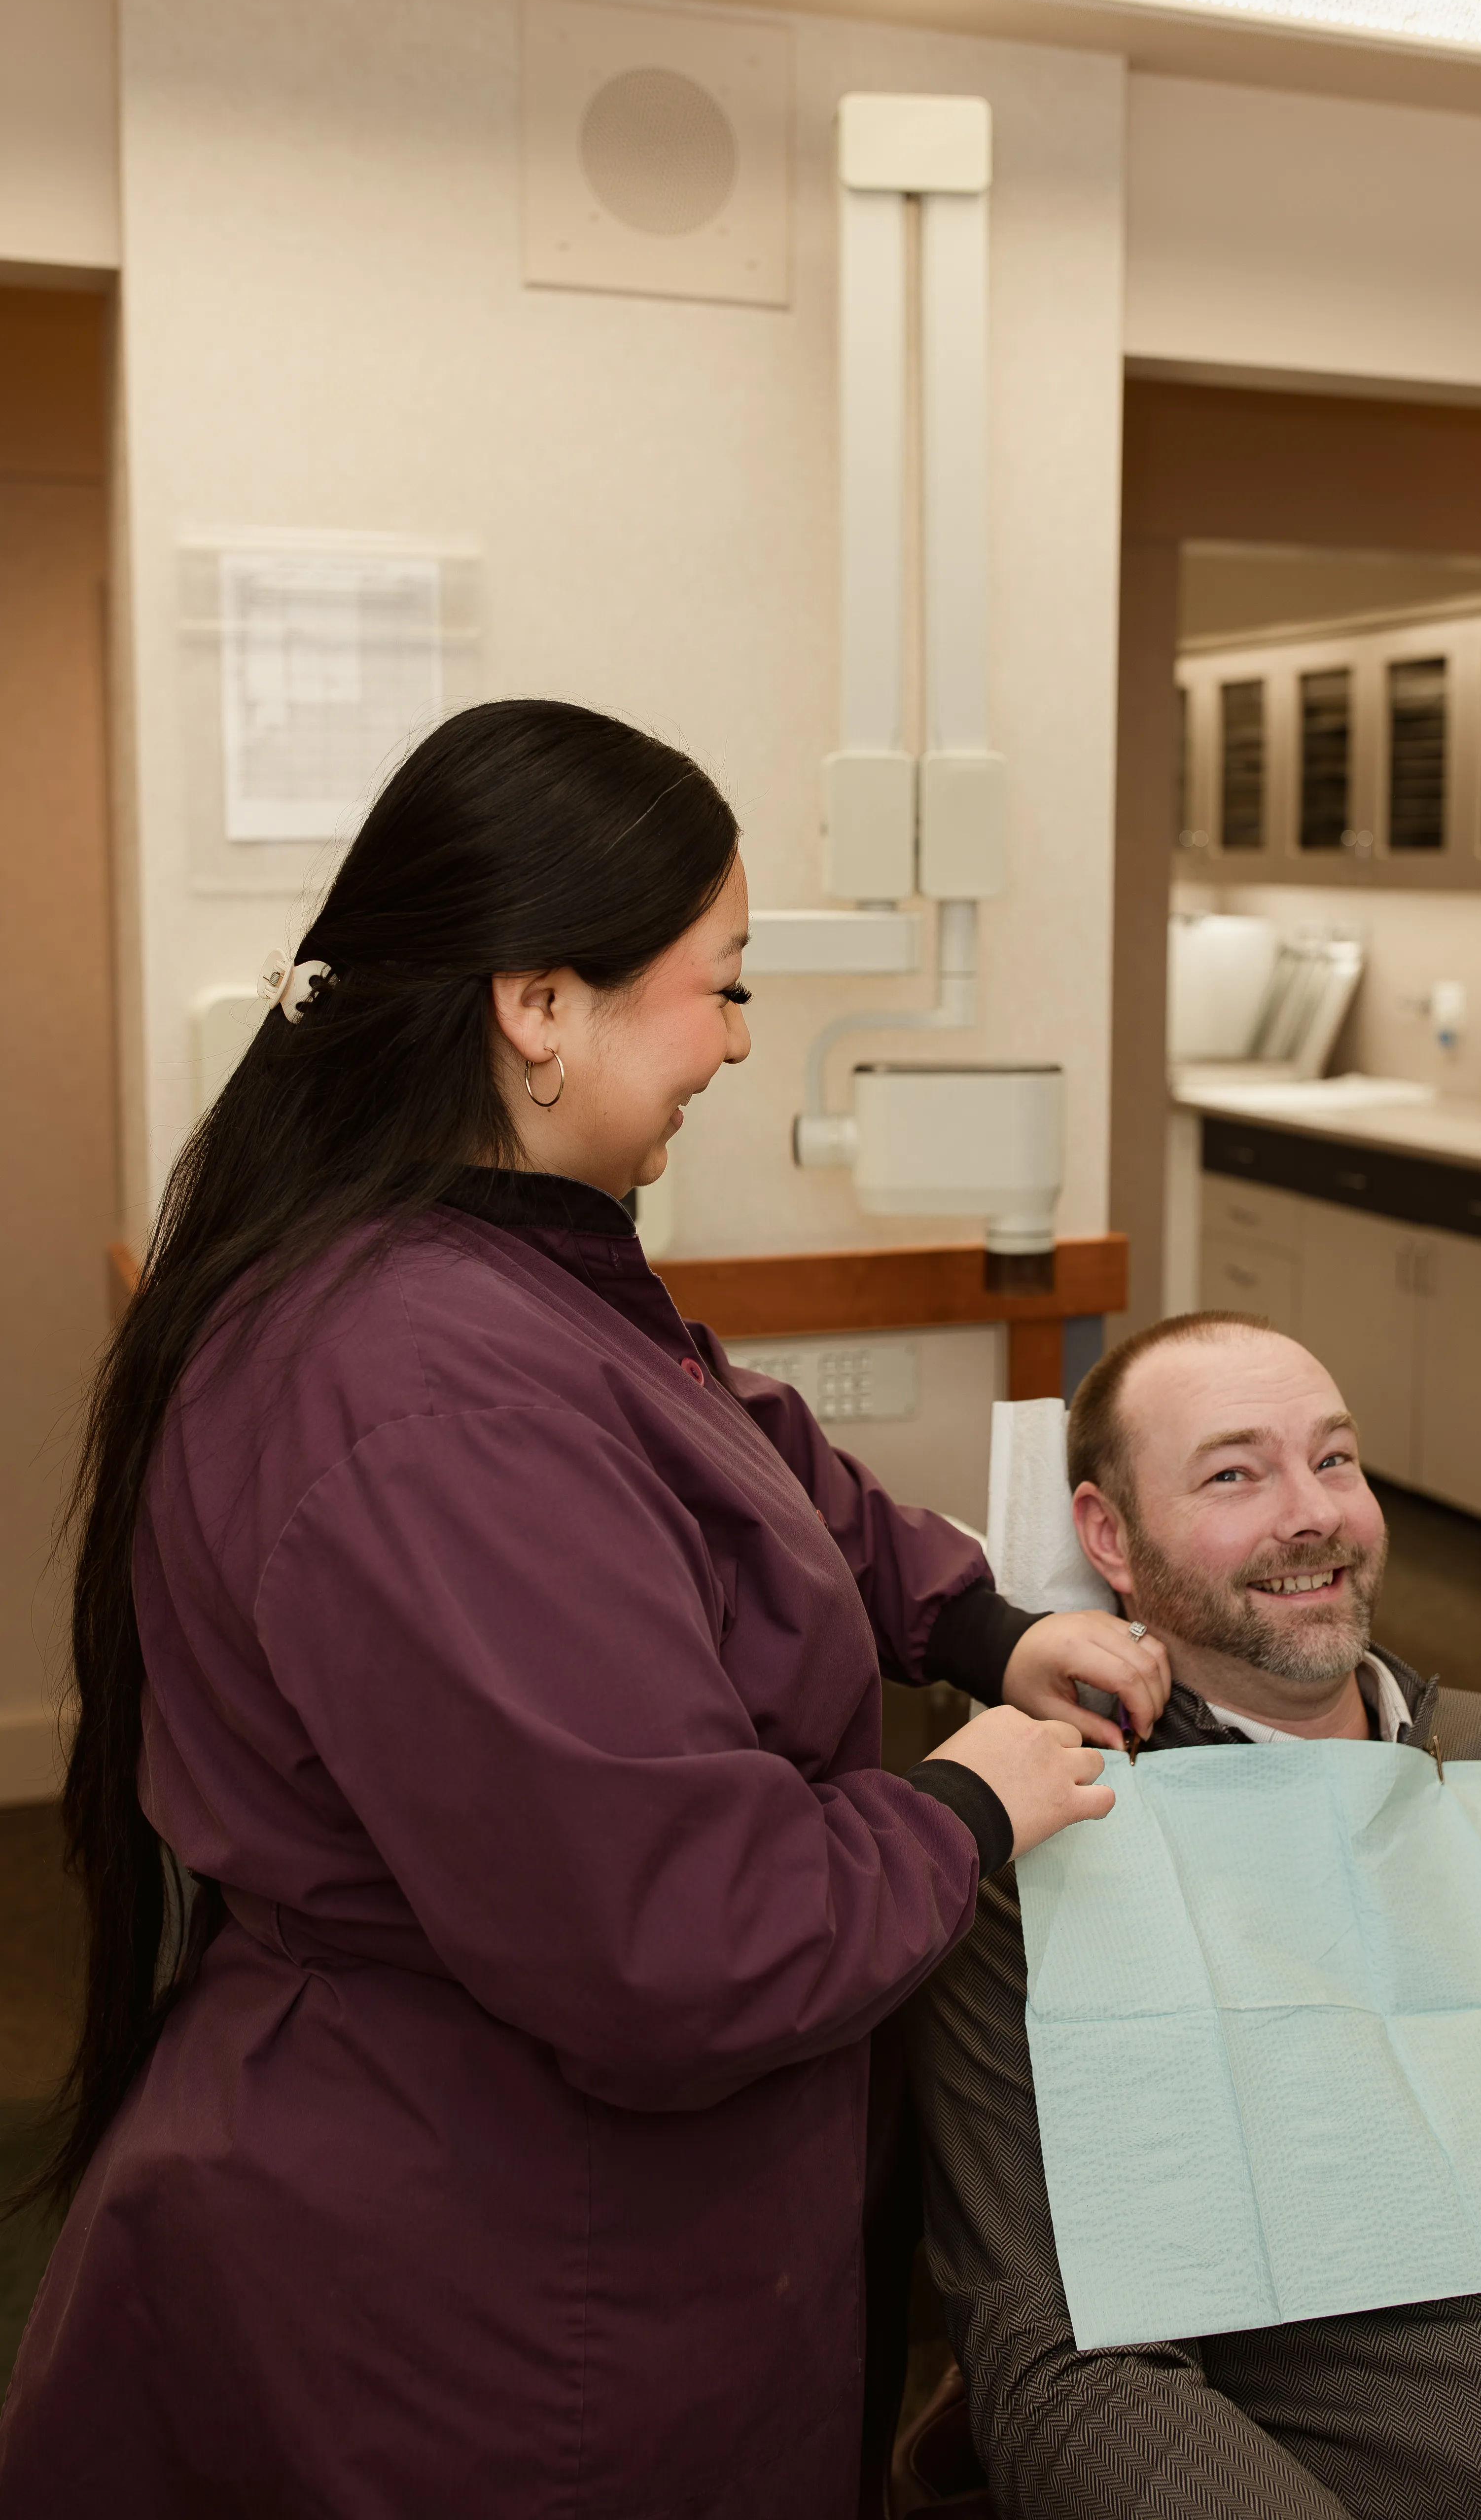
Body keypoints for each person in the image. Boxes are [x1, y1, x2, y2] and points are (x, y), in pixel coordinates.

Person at [0, 702, 1173, 2520]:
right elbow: (679, 1939)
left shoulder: (486, 1257)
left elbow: (738, 1450)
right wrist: (966, 1795)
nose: (737, 1039)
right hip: (484, 2274)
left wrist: (965, 1621)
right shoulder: (418, 1393)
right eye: (718, 985)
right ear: (537, 1005)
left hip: (516, 2188)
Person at [904, 1309, 1481, 2520]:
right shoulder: (1048, 1869)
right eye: (1235, 1473)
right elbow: (1079, 2380)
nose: (1312, 1511)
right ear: (1108, 1536)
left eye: (1334, 1458)